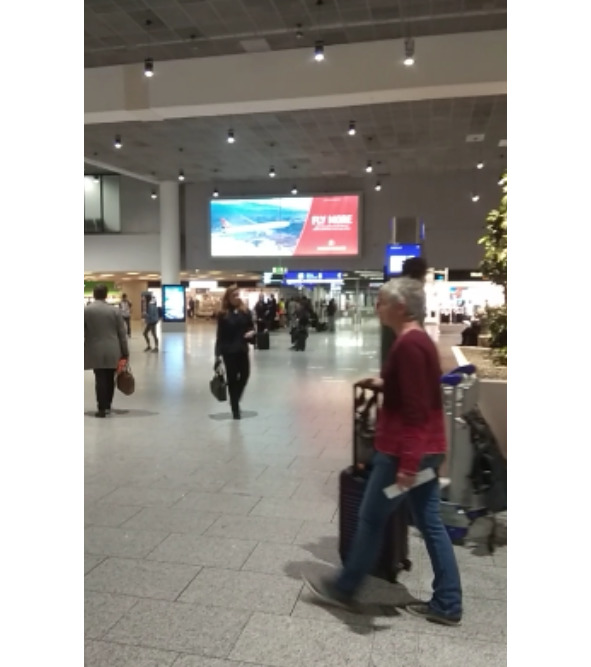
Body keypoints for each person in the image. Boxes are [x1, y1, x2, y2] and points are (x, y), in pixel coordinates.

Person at [302, 277, 462, 626]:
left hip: (403, 454)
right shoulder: (420, 341)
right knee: (431, 523)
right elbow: (417, 392)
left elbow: (415, 412)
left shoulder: (408, 345)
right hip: (427, 450)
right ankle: (448, 602)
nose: (377, 308)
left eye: (382, 302)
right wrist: (383, 384)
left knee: (372, 518)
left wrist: (407, 465)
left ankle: (344, 588)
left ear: (400, 307)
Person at [84, 283, 129, 418]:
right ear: (106, 295)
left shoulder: (86, 311)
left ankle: (102, 407)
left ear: (94, 294)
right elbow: (122, 333)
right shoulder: (114, 311)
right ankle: (108, 405)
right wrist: (125, 351)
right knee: (110, 377)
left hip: (94, 348)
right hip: (113, 348)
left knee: (99, 378)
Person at [215, 285, 256, 419]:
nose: (237, 297)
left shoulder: (245, 312)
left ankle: (235, 398)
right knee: (232, 379)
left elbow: (251, 327)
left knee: (245, 375)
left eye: (238, 295)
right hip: (229, 351)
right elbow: (220, 335)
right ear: (228, 298)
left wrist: (251, 333)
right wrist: (217, 355)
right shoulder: (223, 314)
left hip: (242, 349)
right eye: (234, 295)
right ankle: (235, 409)